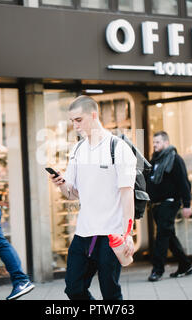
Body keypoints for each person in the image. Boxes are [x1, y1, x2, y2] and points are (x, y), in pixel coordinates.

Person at [49, 95, 137, 300]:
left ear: (94, 115)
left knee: (110, 293)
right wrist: (61, 184)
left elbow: (127, 195)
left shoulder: (118, 148)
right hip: (84, 233)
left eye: (78, 120)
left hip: (111, 234)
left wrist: (128, 233)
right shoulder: (78, 149)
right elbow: (72, 194)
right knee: (73, 288)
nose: (75, 125)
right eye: (72, 121)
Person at [146, 131, 192, 281]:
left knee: (161, 236)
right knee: (168, 235)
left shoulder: (174, 159)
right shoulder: (154, 160)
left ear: (166, 143)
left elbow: (184, 183)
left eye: (158, 142)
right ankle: (185, 265)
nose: (154, 145)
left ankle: (157, 270)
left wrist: (187, 204)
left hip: (170, 202)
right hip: (157, 205)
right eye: (154, 142)